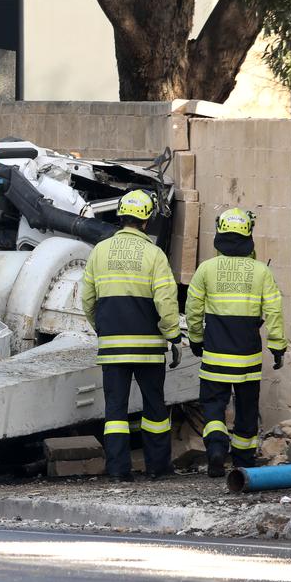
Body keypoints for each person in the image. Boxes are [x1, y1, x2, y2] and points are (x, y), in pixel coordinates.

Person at [81, 190, 183, 482]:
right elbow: (165, 301)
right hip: (149, 347)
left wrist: (102, 328)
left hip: (112, 346)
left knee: (115, 410)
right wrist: (173, 335)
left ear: (121, 216)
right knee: (154, 408)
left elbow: (88, 300)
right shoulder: (154, 254)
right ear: (147, 220)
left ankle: (117, 471)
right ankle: (158, 468)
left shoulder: (100, 251)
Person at [185, 208, 285, 477]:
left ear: (220, 234)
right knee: (247, 408)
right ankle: (244, 462)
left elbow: (193, 309)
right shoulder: (261, 271)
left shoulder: (206, 269)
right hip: (248, 358)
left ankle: (217, 447)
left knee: (213, 405)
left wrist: (196, 338)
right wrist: (277, 346)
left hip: (215, 355)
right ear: (248, 234)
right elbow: (274, 311)